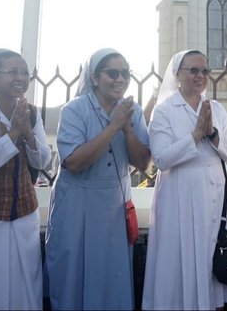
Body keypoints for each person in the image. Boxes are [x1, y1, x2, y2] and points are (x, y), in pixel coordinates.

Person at [45, 48, 151, 310]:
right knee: (73, 275)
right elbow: (75, 163)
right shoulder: (74, 110)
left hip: (113, 205)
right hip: (77, 203)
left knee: (112, 274)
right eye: (112, 73)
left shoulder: (132, 110)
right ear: (94, 78)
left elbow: (142, 162)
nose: (120, 79)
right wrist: (113, 126)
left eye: (125, 74)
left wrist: (127, 129)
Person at [142, 50, 227, 310]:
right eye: (194, 70)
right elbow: (162, 158)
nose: (201, 76)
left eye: (205, 71)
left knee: (212, 257)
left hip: (216, 192)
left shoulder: (217, 109)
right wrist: (194, 137)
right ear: (178, 74)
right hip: (179, 193)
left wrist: (212, 135)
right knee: (180, 261)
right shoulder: (164, 110)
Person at [0, 48, 51, 310]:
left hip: (24, 212)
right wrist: (12, 136)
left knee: (26, 283)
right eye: (13, 72)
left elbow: (44, 162)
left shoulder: (29, 113)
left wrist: (28, 134)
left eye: (25, 73)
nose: (21, 77)